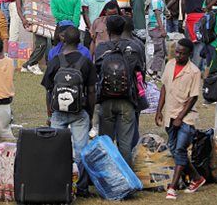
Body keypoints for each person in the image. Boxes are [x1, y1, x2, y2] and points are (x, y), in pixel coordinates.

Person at [42, 26, 96, 198]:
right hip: (79, 112)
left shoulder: (55, 60)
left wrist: (50, 113)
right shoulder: (86, 61)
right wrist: (90, 113)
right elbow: (92, 90)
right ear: (79, 41)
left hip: (58, 111)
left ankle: (58, 185)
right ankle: (81, 187)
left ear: (62, 40)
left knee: (56, 149)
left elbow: (48, 89)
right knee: (81, 150)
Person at [155, 38, 206, 200]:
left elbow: (193, 98)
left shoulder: (194, 71)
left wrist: (180, 117)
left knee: (180, 149)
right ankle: (197, 178)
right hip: (170, 115)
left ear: (190, 54)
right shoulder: (169, 64)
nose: (178, 55)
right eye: (177, 52)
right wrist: (158, 111)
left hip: (186, 117)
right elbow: (163, 88)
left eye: (182, 53)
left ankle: (172, 187)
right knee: (176, 149)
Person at [95, 15, 145, 165]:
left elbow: (97, 71)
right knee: (125, 144)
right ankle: (126, 179)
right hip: (127, 100)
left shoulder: (101, 49)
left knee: (106, 142)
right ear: (124, 28)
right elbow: (140, 73)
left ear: (108, 30)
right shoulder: (135, 47)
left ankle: (108, 177)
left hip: (106, 100)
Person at [146, 0, 167, 78]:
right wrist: (162, 29)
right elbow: (157, 13)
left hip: (155, 27)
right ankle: (151, 70)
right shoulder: (156, 0)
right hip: (156, 28)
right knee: (160, 51)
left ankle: (155, 72)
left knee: (161, 50)